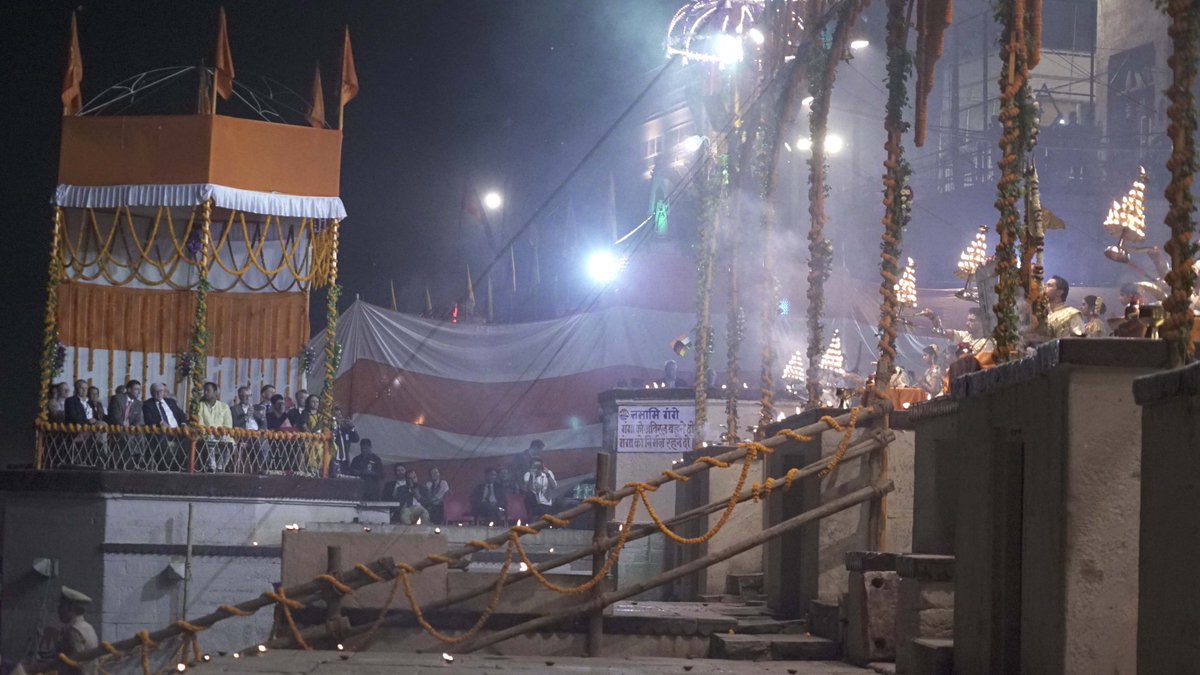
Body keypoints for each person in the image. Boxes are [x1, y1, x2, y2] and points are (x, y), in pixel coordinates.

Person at [921, 306, 996, 365]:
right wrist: (933, 318)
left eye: (972, 320)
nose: (967, 323)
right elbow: (942, 332)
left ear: (982, 323)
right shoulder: (965, 335)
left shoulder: (988, 343)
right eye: (968, 320)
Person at [56, 586, 98, 675]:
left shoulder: (73, 631)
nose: (58, 609)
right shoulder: (88, 627)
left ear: (70, 608)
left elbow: (76, 665)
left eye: (61, 605)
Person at [196, 382, 233, 472]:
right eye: (204, 391)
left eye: (208, 390)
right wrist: (212, 432)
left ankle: (221, 467)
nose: (205, 393)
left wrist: (220, 433)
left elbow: (228, 425)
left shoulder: (224, 407)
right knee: (211, 438)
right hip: (206, 434)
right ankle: (211, 466)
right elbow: (200, 424)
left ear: (216, 392)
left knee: (231, 443)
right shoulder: (200, 405)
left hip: (222, 434)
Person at [230, 386, 266, 473]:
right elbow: (234, 425)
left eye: (249, 396)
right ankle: (261, 468)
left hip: (257, 434)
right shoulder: (234, 409)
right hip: (243, 435)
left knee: (263, 440)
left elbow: (264, 424)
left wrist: (256, 414)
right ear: (240, 397)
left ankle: (262, 467)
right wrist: (246, 417)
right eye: (245, 396)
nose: (248, 398)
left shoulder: (257, 408)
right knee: (259, 442)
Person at [330, 406, 360, 476]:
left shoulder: (346, 429)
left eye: (340, 415)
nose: (339, 417)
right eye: (336, 415)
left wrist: (352, 427)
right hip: (334, 459)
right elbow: (332, 437)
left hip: (345, 460)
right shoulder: (330, 428)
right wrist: (336, 426)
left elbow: (356, 439)